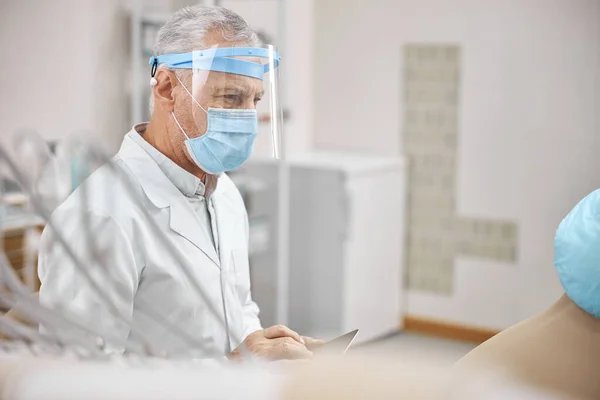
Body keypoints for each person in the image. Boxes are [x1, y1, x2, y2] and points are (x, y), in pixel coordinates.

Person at [38, 5, 321, 360]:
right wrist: (227, 369)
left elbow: (239, 308)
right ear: (168, 88)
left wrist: (266, 348)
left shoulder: (225, 194)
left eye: (255, 100)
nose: (248, 118)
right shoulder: (98, 217)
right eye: (231, 97)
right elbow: (73, 381)